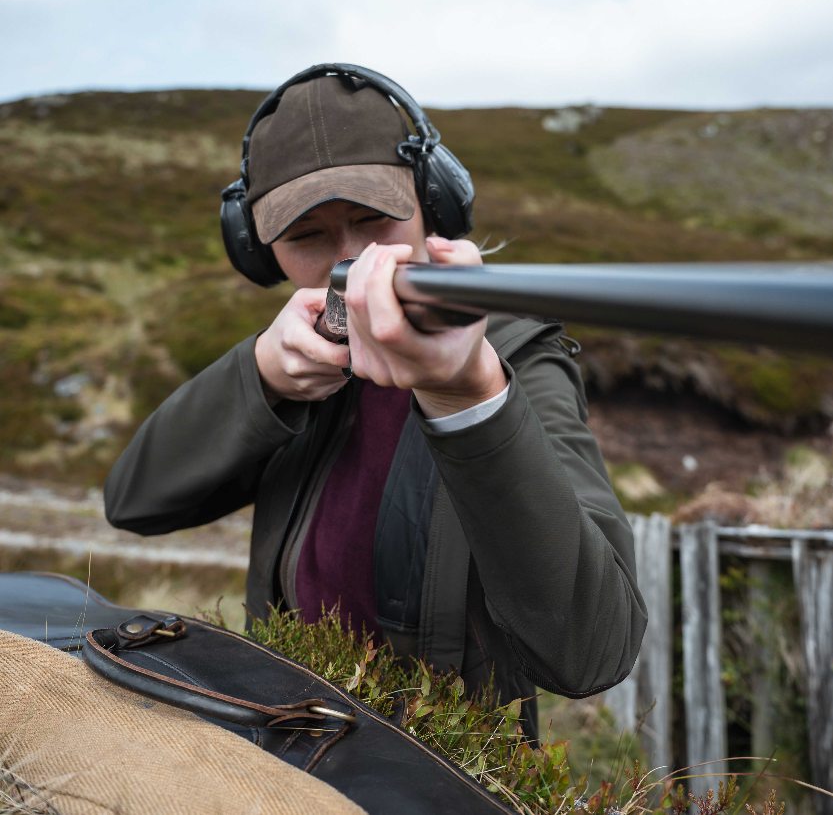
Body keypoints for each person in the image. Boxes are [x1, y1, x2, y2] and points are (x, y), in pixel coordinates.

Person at [104, 64, 645, 735]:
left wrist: (469, 397)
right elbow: (134, 502)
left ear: (433, 207)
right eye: (307, 236)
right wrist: (263, 377)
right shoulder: (295, 357)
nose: (355, 259)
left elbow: (594, 651)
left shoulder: (517, 358)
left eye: (374, 218)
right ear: (259, 251)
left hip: (444, 771)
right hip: (281, 746)